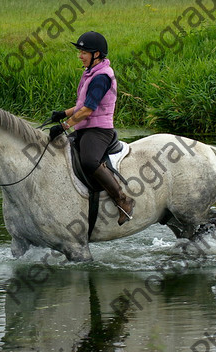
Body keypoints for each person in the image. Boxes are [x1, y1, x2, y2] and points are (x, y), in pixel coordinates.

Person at [49, 31, 134, 225]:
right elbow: (81, 106)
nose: (80, 55)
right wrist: (63, 113)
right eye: (80, 51)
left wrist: (64, 126)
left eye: (83, 52)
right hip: (85, 127)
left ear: (96, 54)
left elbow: (87, 110)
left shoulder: (101, 77)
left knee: (88, 161)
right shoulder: (90, 73)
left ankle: (122, 200)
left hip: (99, 130)